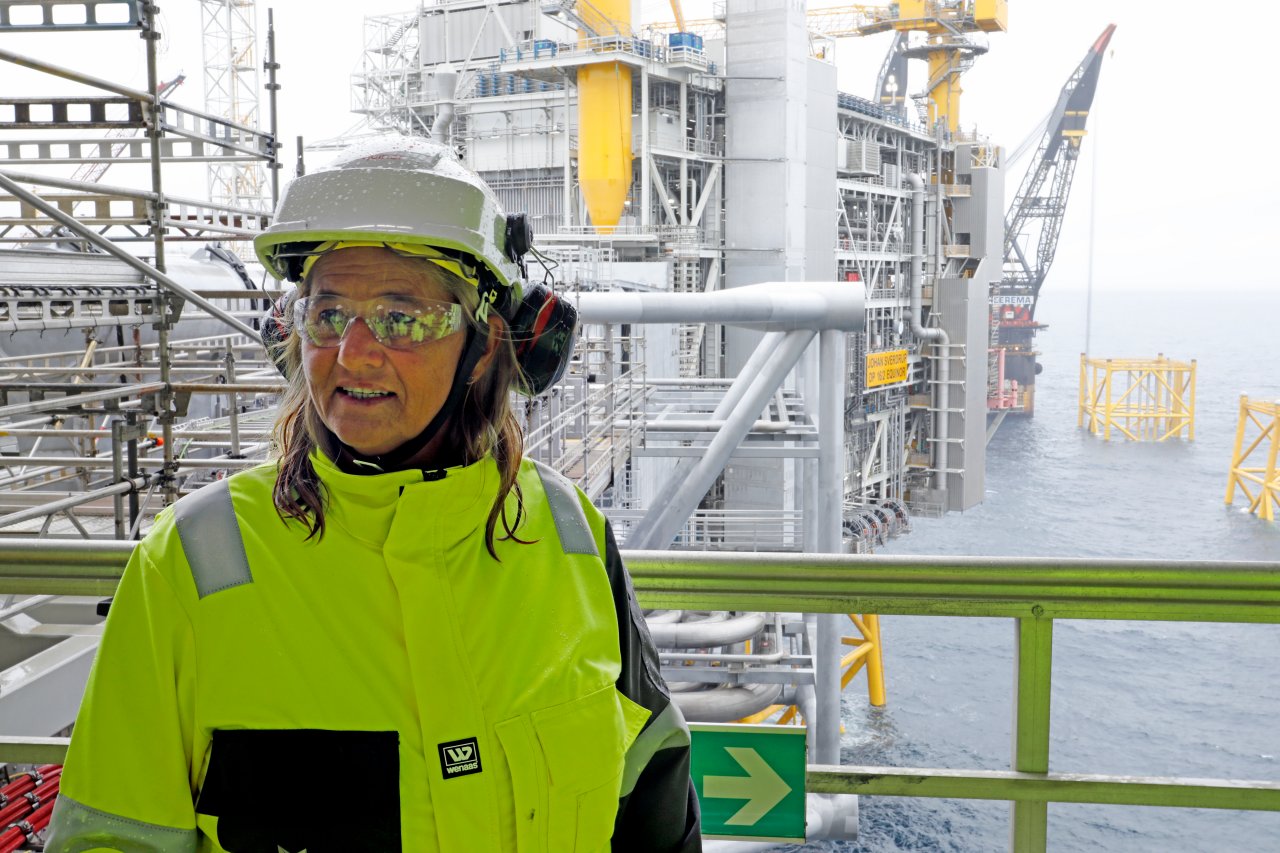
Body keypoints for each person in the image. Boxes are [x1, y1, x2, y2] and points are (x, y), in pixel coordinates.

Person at [46, 136, 701, 852]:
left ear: (486, 342)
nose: (353, 353)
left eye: (400, 318)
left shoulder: (574, 541)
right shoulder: (189, 569)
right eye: (327, 315)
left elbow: (655, 808)